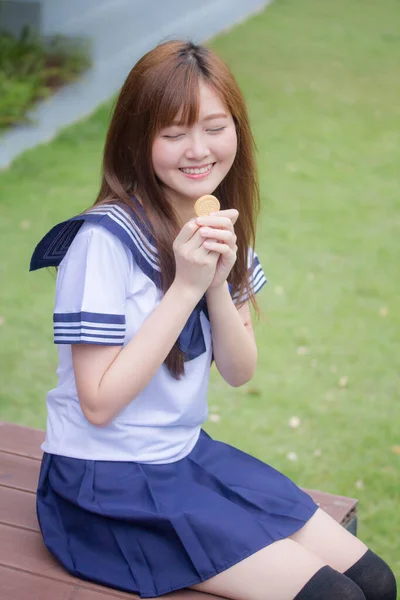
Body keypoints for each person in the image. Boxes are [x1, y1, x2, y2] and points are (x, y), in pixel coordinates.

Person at [30, 41, 396, 600]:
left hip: (185, 456)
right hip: (104, 481)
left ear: (238, 132)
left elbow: (240, 370)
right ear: (137, 139)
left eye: (215, 127)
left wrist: (219, 283)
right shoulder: (101, 241)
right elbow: (98, 404)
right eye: (173, 134)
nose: (197, 150)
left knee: (375, 580)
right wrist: (185, 286)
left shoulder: (220, 224)